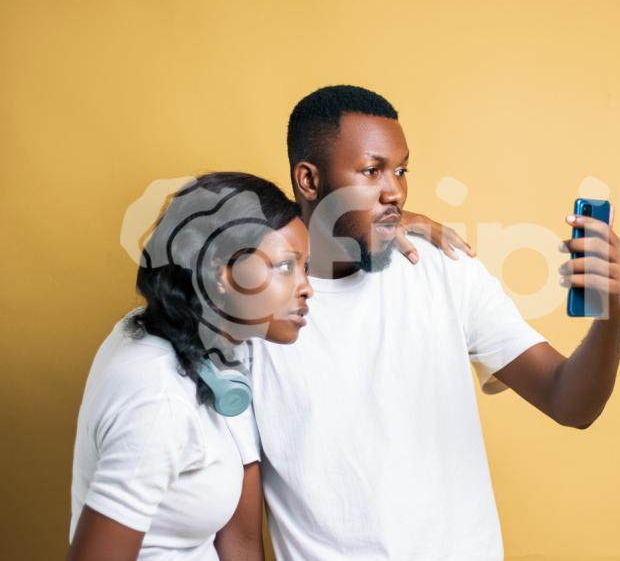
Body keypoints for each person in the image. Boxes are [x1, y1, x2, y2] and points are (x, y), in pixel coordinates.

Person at [234, 85, 620, 561]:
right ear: (309, 180)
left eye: (401, 170)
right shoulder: (253, 318)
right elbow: (240, 535)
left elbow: (571, 403)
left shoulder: (444, 269)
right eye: (371, 170)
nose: (395, 190)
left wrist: (614, 315)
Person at [67, 170, 473, 561]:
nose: (306, 287)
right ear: (218, 272)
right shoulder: (158, 400)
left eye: (305, 266)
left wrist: (385, 222)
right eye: (285, 266)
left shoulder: (190, 338)